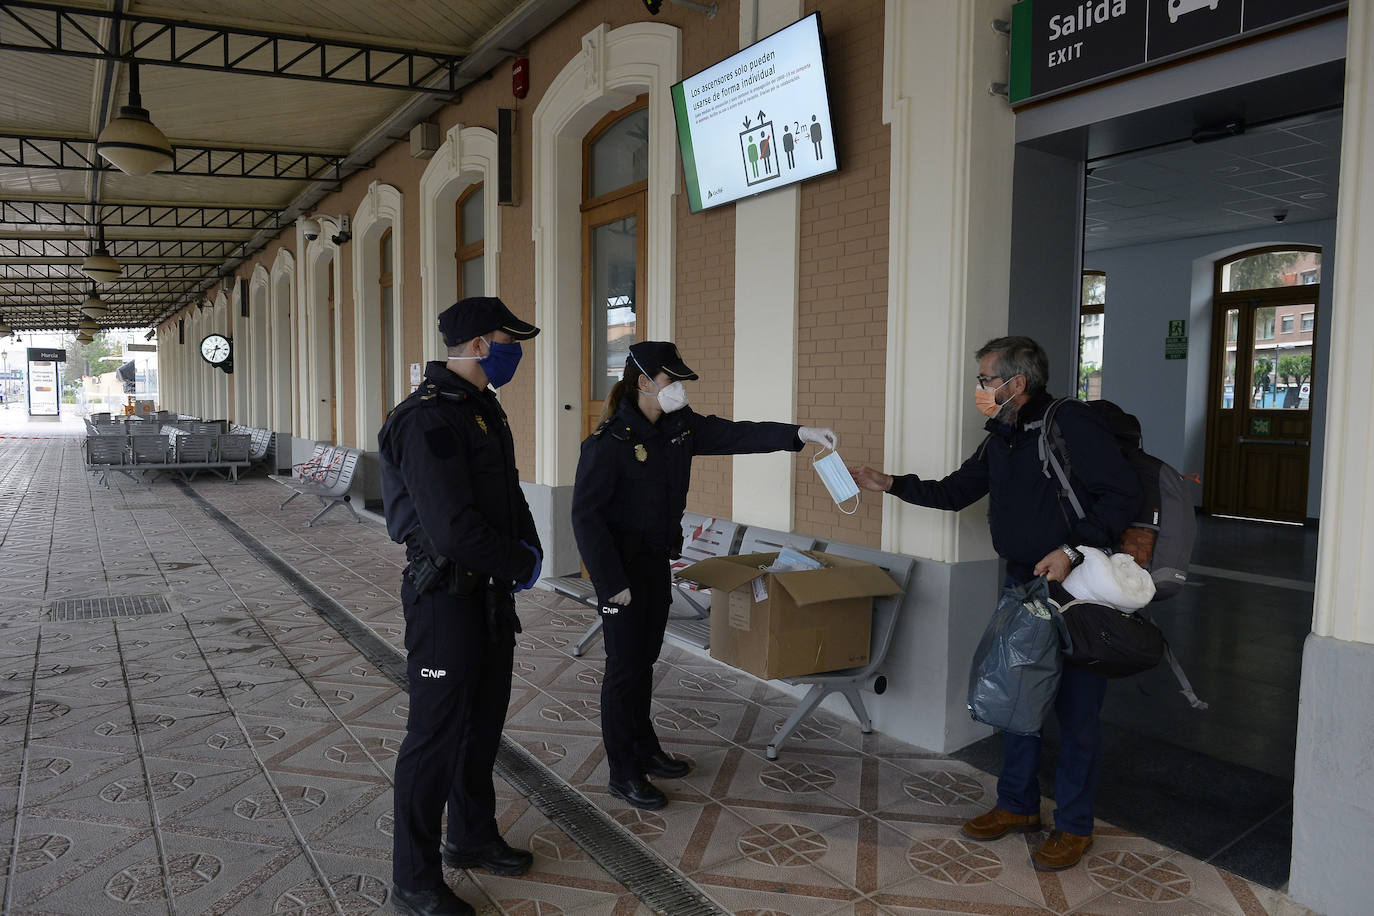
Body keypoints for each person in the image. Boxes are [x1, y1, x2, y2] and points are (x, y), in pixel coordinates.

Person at [849, 336, 1140, 872]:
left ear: (1016, 383)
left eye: (986, 379)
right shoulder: (1001, 435)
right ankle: (1017, 806)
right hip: (1022, 586)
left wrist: (1073, 551)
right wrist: (889, 483)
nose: (979, 389)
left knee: (1077, 713)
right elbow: (957, 490)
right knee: (1016, 700)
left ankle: (1075, 825)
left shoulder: (1068, 423)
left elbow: (1122, 494)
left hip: (1078, 591)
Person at [572, 341, 837, 811]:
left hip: (654, 564)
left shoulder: (681, 429)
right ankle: (622, 770)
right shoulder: (608, 443)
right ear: (645, 383)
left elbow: (738, 435)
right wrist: (612, 584)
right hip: (622, 573)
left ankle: (645, 748)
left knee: (645, 660)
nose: (680, 389)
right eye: (672, 380)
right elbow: (586, 518)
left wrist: (799, 433)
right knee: (623, 670)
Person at [378, 297, 544, 916]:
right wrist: (521, 561)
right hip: (444, 599)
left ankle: (470, 836)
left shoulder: (480, 408)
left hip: (487, 598)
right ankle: (414, 883)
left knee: (481, 727)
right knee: (432, 740)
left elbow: (507, 492)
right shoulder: (427, 419)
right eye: (508, 338)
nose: (515, 350)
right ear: (479, 344)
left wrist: (528, 546)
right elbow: (450, 530)